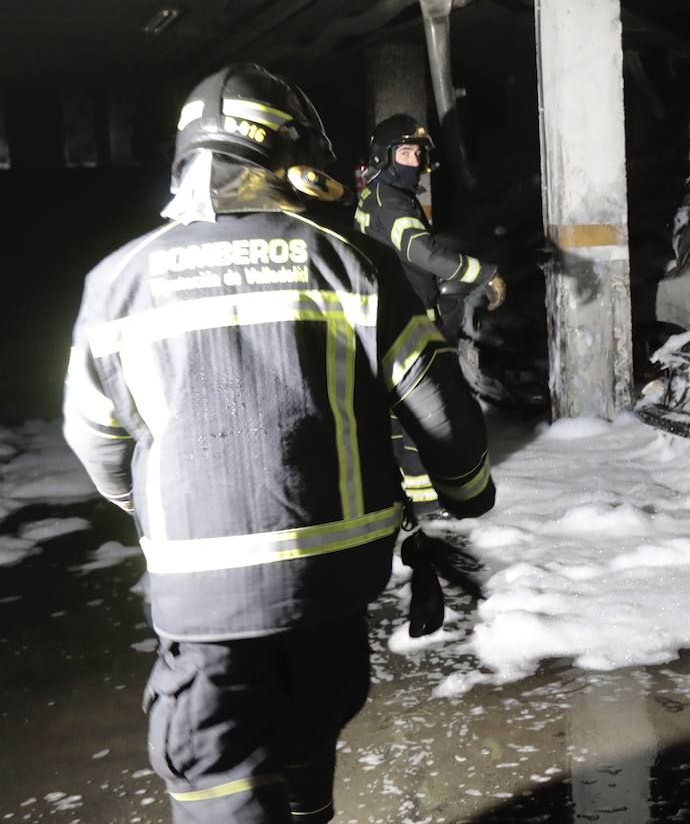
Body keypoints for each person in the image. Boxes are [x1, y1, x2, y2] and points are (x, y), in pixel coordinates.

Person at [62, 63, 495, 824]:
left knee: (217, 776)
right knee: (307, 746)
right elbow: (443, 414)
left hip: (203, 596)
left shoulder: (116, 282)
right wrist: (467, 492)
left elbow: (96, 441)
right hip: (331, 584)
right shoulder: (346, 261)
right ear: (295, 156)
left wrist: (152, 502)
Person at [353, 113, 505, 506]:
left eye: (419, 153)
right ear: (384, 157)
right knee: (423, 415)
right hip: (406, 321)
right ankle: (429, 507)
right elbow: (419, 251)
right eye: (405, 153)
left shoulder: (376, 194)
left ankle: (409, 499)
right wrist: (483, 274)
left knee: (399, 417)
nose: (415, 162)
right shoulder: (393, 204)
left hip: (385, 318)